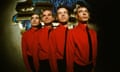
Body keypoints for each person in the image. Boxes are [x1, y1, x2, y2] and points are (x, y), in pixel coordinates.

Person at [66, 2, 98, 72]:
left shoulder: (93, 33)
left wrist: (94, 65)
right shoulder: (72, 33)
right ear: (77, 16)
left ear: (89, 15)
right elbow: (69, 54)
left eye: (86, 11)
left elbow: (95, 50)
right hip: (78, 67)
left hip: (90, 66)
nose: (84, 13)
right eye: (80, 11)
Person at [49, 5, 71, 72]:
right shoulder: (53, 33)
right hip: (60, 64)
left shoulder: (73, 32)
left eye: (65, 12)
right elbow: (52, 54)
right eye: (60, 13)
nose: (63, 15)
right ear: (57, 17)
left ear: (69, 15)